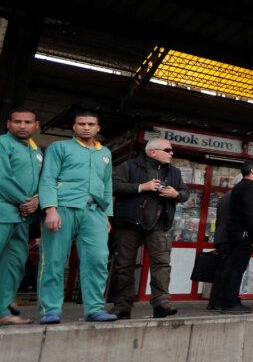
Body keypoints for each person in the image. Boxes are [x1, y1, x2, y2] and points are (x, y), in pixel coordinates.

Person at [38, 111, 115, 324]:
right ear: (74, 127)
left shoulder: (105, 152)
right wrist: (50, 209)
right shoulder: (59, 148)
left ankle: (95, 309)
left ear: (98, 128)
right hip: (63, 207)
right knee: (54, 259)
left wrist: (107, 215)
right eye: (81, 124)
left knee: (98, 260)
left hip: (95, 212)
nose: (86, 127)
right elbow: (48, 178)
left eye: (91, 124)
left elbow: (107, 185)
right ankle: (50, 310)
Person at [109, 137, 190, 319]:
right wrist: (141, 187)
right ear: (153, 152)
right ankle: (122, 306)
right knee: (124, 265)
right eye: (167, 150)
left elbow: (185, 193)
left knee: (162, 264)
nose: (172, 153)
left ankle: (162, 304)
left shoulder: (174, 172)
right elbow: (113, 186)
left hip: (159, 225)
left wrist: (176, 194)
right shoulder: (130, 166)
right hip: (129, 223)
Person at [0, 108, 42, 325]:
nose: (22, 126)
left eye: (27, 122)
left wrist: (37, 200)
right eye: (17, 121)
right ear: (8, 124)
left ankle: (3, 310)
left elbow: (41, 181)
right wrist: (24, 201)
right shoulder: (2, 143)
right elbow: (2, 177)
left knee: (15, 263)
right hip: (4, 210)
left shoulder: (34, 151)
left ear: (36, 126)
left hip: (22, 218)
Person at [213, 161, 253, 313]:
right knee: (236, 269)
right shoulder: (247, 188)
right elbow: (252, 213)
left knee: (232, 268)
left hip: (235, 235)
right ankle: (230, 302)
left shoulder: (243, 187)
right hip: (243, 236)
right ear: (252, 170)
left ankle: (227, 300)